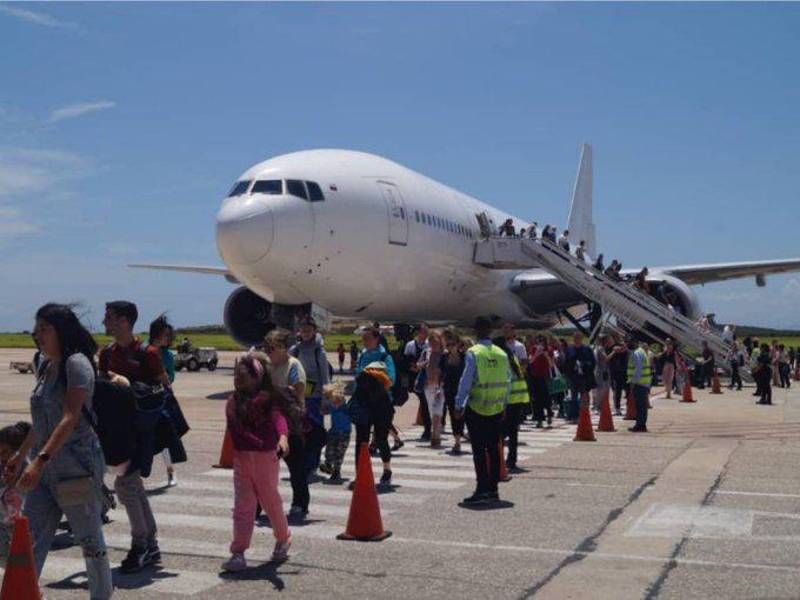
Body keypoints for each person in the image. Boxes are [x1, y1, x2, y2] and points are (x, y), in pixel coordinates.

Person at [3, 304, 113, 597]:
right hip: (44, 467)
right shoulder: (45, 364)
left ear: (61, 330)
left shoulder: (76, 364)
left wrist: (38, 460)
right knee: (31, 538)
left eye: (44, 328)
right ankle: (22, 593)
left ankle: (101, 595)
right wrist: (21, 454)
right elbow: (42, 421)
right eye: (36, 328)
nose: (37, 334)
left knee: (90, 542)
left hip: (75, 466)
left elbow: (70, 416)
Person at [99, 300, 168, 573]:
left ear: (124, 321)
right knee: (133, 487)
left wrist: (128, 385)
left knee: (126, 486)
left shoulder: (147, 352)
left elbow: (164, 387)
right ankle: (150, 545)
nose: (105, 322)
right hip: (115, 431)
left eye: (109, 318)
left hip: (139, 430)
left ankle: (140, 545)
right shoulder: (107, 353)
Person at [222, 354, 292, 571]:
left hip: (265, 458)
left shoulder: (267, 400)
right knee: (243, 506)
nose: (238, 380)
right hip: (243, 458)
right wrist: (257, 440)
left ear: (257, 378)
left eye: (243, 376)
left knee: (271, 502)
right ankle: (238, 552)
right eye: (236, 376)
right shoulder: (233, 402)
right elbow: (236, 430)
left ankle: (283, 538)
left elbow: (279, 419)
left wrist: (282, 438)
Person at [455, 317, 510, 505]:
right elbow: (507, 381)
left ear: (476, 331)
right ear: (491, 331)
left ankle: (481, 488)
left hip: (477, 407)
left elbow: (466, 380)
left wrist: (458, 404)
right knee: (494, 449)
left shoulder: (474, 352)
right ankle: (493, 489)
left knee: (479, 450)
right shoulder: (501, 353)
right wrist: (503, 404)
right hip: (495, 407)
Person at [263, 329, 309, 522]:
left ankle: (300, 502)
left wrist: (272, 393)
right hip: (269, 423)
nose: (269, 352)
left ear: (283, 348)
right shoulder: (267, 367)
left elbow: (297, 390)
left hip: (291, 423)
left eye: (272, 348)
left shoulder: (293, 365)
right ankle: (259, 503)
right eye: (267, 348)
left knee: (296, 467)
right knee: (264, 468)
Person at [352, 327, 396, 487]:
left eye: (368, 338)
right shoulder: (363, 355)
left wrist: (373, 379)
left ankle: (387, 469)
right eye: (363, 339)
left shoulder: (385, 356)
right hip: (364, 403)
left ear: (377, 339)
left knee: (381, 438)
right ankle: (360, 474)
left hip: (381, 404)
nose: (365, 342)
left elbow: (391, 379)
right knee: (361, 441)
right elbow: (357, 374)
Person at [289, 315, 330, 478]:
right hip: (299, 397)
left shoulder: (319, 351)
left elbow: (325, 377)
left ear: (314, 331)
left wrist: (325, 400)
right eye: (303, 330)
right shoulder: (295, 350)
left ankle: (312, 464)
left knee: (314, 433)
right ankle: (303, 461)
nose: (305, 332)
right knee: (299, 432)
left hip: (315, 398)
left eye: (309, 330)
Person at [149, 314, 178, 487]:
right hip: (144, 397)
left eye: (169, 335)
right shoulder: (144, 350)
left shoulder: (167, 356)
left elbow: (172, 375)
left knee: (164, 437)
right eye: (165, 335)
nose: (168, 339)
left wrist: (165, 379)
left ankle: (170, 471)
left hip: (161, 397)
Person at [495, 338, 529, 473]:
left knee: (502, 431)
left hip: (509, 399)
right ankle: (511, 459)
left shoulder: (502, 359)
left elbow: (506, 381)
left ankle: (499, 457)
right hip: (518, 398)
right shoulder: (512, 356)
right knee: (513, 431)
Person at [0, 422, 29, 566]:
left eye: (5, 452)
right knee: (6, 560)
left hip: (21, 525)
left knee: (21, 562)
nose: (2, 457)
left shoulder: (28, 469)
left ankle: (26, 584)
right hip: (3, 524)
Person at [418, 330, 446, 448]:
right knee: (431, 410)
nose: (433, 344)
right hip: (428, 385)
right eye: (431, 342)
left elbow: (448, 369)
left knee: (437, 409)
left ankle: (435, 435)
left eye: (435, 342)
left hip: (440, 386)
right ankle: (436, 432)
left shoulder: (445, 354)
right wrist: (424, 363)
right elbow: (418, 364)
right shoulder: (426, 352)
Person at [405, 324, 431, 440]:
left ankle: (428, 428)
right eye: (424, 332)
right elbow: (406, 360)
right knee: (424, 402)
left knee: (425, 403)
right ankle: (428, 428)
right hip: (415, 377)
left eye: (427, 332)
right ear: (419, 333)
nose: (426, 334)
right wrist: (413, 367)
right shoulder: (410, 345)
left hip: (426, 377)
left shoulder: (428, 345)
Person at [563, 332, 596, 423]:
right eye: (575, 337)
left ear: (581, 339)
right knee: (573, 397)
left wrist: (583, 365)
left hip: (584, 377)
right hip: (573, 376)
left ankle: (585, 414)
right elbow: (566, 362)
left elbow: (592, 362)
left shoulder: (587, 349)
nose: (576, 339)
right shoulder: (569, 349)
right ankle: (574, 416)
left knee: (584, 396)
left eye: (578, 337)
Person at [442, 336, 467, 454]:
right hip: (449, 390)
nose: (449, 347)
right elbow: (440, 373)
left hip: (463, 390)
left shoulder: (465, 357)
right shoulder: (444, 357)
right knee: (453, 415)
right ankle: (457, 441)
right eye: (447, 345)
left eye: (452, 344)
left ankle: (462, 433)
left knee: (464, 415)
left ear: (457, 344)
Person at [320, 383, 350, 482]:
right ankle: (328, 464)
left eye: (337, 402)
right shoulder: (332, 406)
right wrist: (323, 410)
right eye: (333, 402)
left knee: (339, 453)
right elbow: (325, 411)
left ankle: (337, 470)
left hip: (345, 433)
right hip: (333, 432)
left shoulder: (346, 407)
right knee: (329, 450)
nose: (335, 404)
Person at [627, 336, 651, 432]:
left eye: (630, 342)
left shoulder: (636, 353)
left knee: (640, 406)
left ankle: (640, 425)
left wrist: (633, 382)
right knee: (642, 406)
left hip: (639, 383)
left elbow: (638, 368)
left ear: (636, 342)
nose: (628, 344)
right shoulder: (641, 352)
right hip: (644, 383)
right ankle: (641, 424)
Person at [528, 335, 553, 428]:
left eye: (542, 341)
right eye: (538, 341)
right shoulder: (533, 349)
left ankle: (549, 414)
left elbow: (551, 364)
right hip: (535, 376)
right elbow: (530, 361)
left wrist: (546, 355)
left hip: (545, 376)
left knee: (546, 397)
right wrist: (536, 354)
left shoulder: (549, 350)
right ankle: (540, 419)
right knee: (537, 399)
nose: (540, 343)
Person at [608, 334, 628, 415]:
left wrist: (621, 348)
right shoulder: (611, 347)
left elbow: (622, 349)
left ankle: (620, 407)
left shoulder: (622, 346)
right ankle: (617, 407)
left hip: (623, 371)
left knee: (625, 390)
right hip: (614, 372)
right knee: (616, 391)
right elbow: (616, 350)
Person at [592, 335, 611, 413]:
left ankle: (596, 406)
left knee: (597, 390)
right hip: (601, 371)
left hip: (597, 370)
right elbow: (606, 359)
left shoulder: (595, 348)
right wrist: (614, 352)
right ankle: (598, 407)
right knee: (601, 390)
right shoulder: (601, 348)